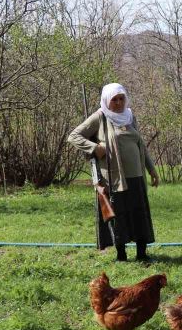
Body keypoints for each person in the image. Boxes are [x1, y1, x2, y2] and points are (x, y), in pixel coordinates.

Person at [68, 83, 159, 262]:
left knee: (139, 214)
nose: (118, 103)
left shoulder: (130, 117)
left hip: (137, 177)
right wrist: (94, 148)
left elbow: (141, 146)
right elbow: (74, 136)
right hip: (114, 178)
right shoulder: (100, 117)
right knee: (120, 215)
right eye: (114, 100)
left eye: (121, 98)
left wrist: (152, 170)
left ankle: (142, 254)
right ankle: (121, 255)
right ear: (106, 101)